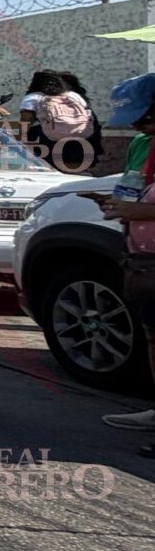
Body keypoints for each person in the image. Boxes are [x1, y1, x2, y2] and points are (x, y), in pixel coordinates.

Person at [96, 72, 155, 438]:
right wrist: (116, 205)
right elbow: (131, 191)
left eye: (144, 117)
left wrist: (136, 211)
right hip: (143, 258)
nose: (137, 124)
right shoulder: (140, 145)